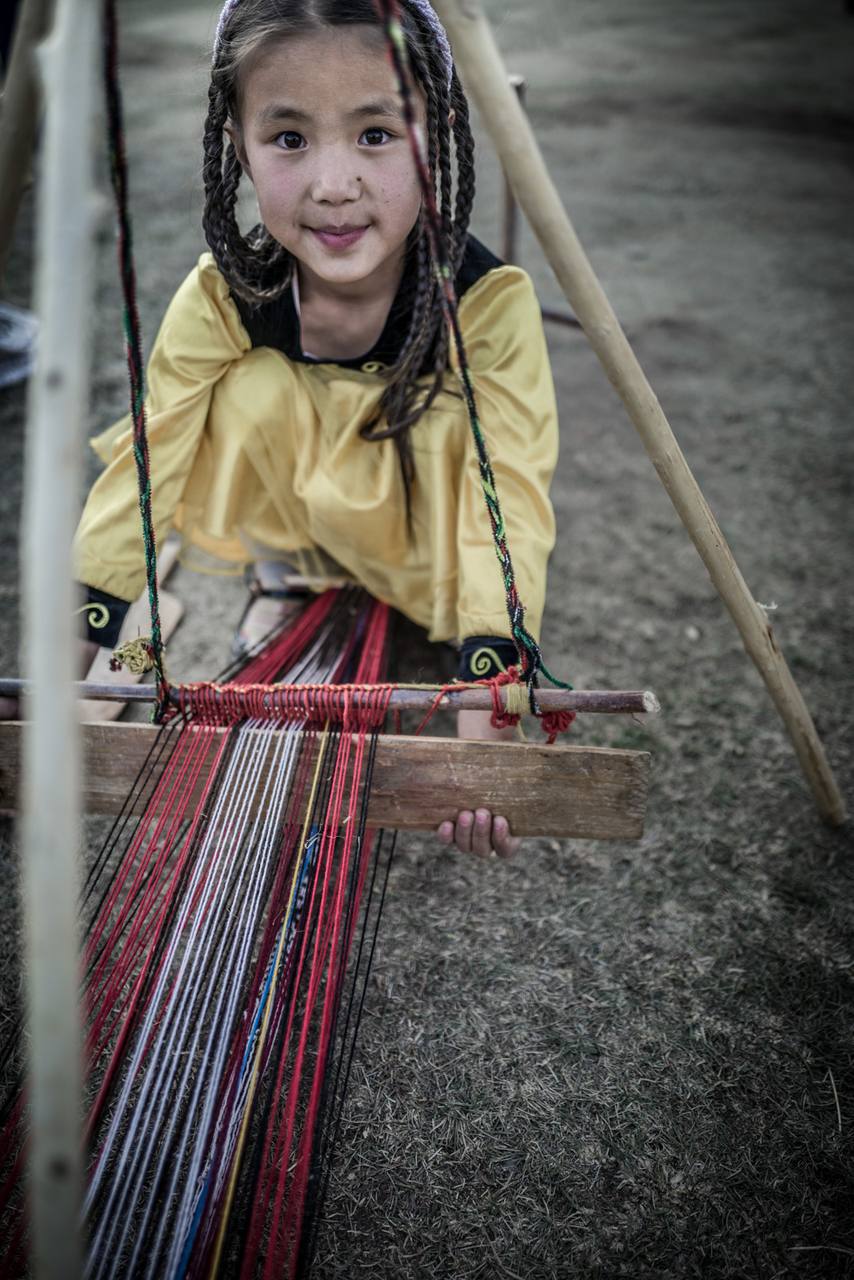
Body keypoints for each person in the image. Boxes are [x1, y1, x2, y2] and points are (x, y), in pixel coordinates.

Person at [74, 0, 560, 858]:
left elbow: (508, 506)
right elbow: (149, 464)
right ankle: (291, 570)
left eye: (376, 134)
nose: (334, 185)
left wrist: (491, 702)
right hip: (302, 516)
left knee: (462, 432)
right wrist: (92, 630)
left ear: (438, 128)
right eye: (289, 139)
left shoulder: (486, 305)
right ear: (236, 142)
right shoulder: (228, 294)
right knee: (242, 391)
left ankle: (417, 608)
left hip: (426, 549)